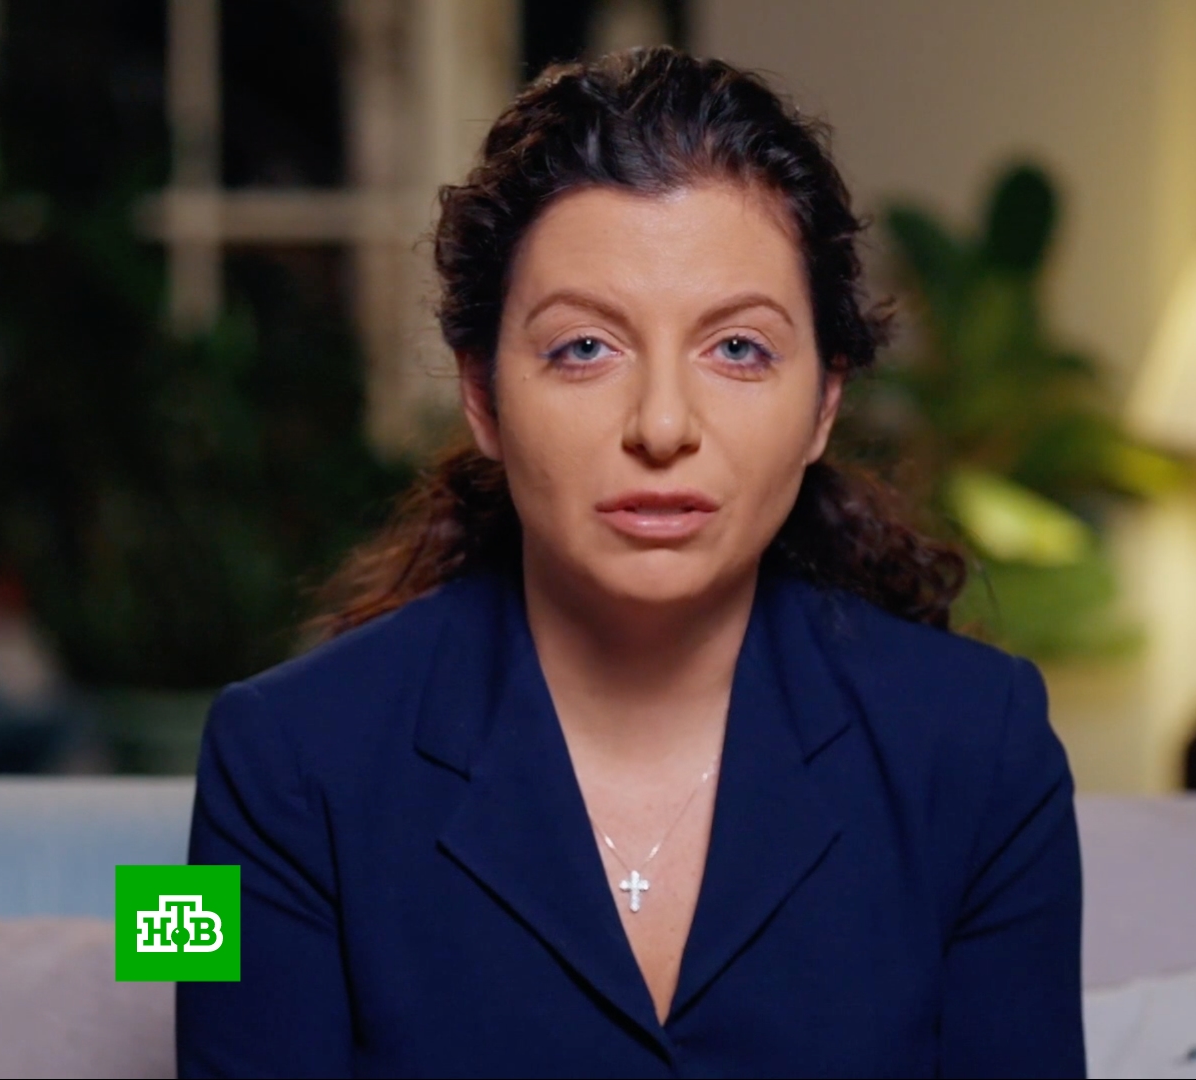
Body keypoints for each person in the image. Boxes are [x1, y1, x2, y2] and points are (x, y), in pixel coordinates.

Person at [176, 48, 1083, 1078]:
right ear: (483, 397)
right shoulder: (271, 756)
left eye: (737, 349)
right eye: (584, 348)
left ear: (824, 405)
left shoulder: (986, 746)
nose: (660, 426)